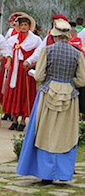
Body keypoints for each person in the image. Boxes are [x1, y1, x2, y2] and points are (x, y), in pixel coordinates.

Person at [17, 19, 85, 184]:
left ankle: (45, 173)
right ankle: (63, 173)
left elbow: (39, 76)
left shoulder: (47, 50)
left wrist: (46, 82)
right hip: (69, 96)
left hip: (48, 95)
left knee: (44, 133)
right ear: (68, 36)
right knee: (65, 134)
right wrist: (69, 84)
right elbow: (82, 80)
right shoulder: (78, 53)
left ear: (54, 36)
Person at [3, 14, 42, 131]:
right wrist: (8, 62)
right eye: (21, 25)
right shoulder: (12, 39)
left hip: (26, 69)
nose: (23, 27)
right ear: (18, 26)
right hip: (15, 69)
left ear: (29, 27)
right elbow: (8, 52)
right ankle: (14, 119)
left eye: (26, 25)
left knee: (25, 93)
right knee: (14, 92)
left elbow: (39, 54)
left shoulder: (35, 40)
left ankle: (23, 120)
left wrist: (31, 63)